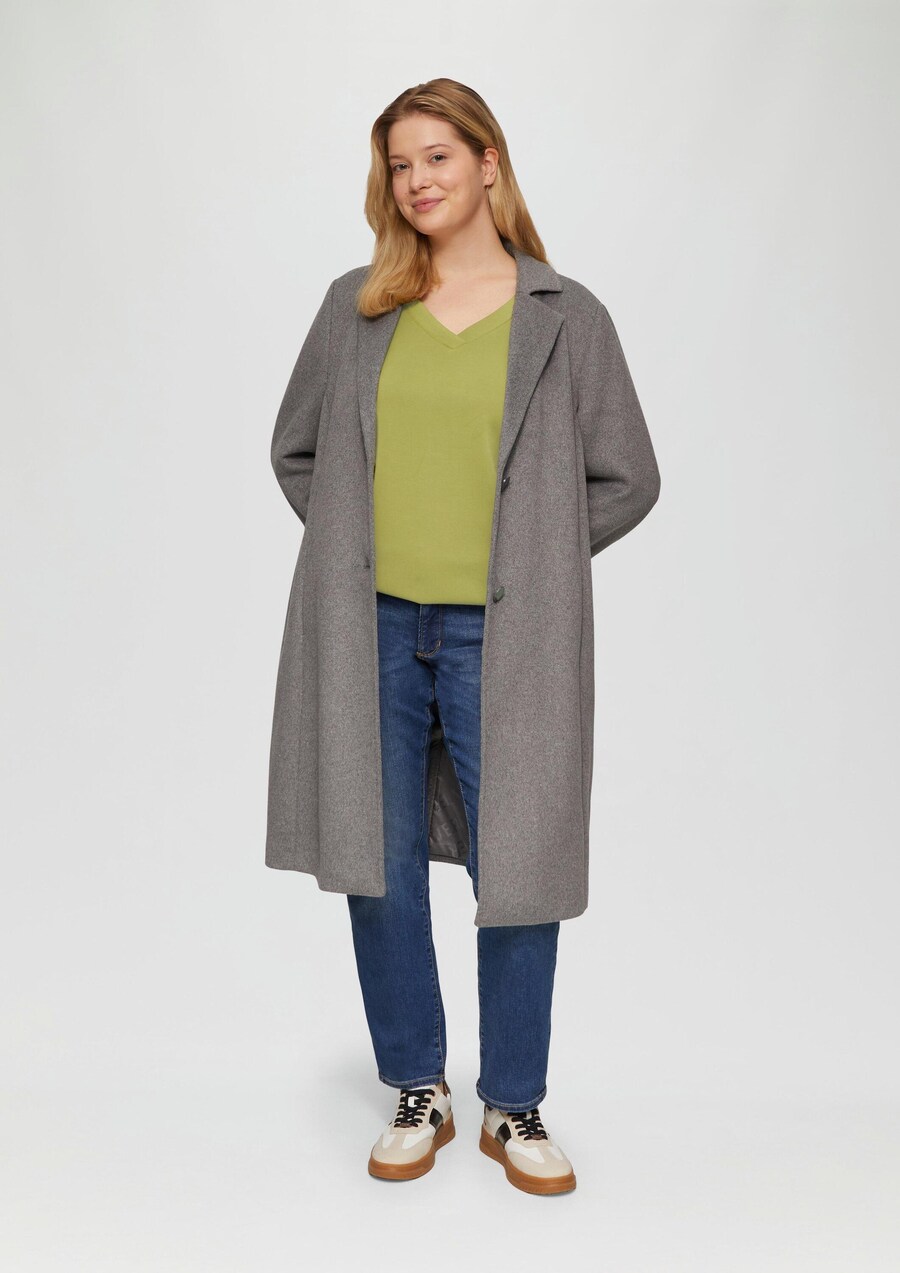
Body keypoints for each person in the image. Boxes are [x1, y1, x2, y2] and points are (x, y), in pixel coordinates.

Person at [266, 78, 661, 1197]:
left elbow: (628, 476)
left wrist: (533, 561)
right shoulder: (358, 307)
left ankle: (513, 1101)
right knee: (377, 862)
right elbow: (298, 452)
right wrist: (358, 545)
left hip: (506, 638)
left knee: (521, 863)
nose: (417, 181)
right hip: (372, 629)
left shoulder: (565, 316)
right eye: (400, 164)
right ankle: (417, 1084)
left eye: (438, 156)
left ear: (490, 162)